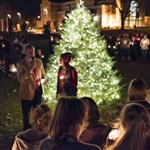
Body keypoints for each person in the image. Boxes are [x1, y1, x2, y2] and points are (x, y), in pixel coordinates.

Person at [17, 45, 46, 130]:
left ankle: (37, 128)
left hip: (38, 90)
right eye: (29, 52)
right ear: (25, 52)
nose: (31, 53)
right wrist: (30, 69)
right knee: (26, 113)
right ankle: (26, 129)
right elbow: (20, 78)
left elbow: (43, 73)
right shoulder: (21, 63)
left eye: (33, 51)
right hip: (27, 92)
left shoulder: (39, 61)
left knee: (38, 111)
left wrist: (44, 79)